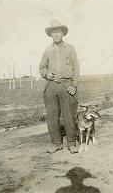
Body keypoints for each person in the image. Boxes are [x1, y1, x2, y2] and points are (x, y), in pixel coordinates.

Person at [39, 19, 80, 154]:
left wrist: (74, 85)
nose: (56, 35)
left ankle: (72, 143)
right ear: (50, 35)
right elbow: (42, 67)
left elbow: (76, 68)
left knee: (69, 116)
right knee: (52, 116)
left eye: (58, 32)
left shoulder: (70, 48)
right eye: (53, 32)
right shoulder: (47, 50)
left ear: (63, 33)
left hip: (66, 85)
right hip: (51, 86)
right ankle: (56, 143)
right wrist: (46, 73)